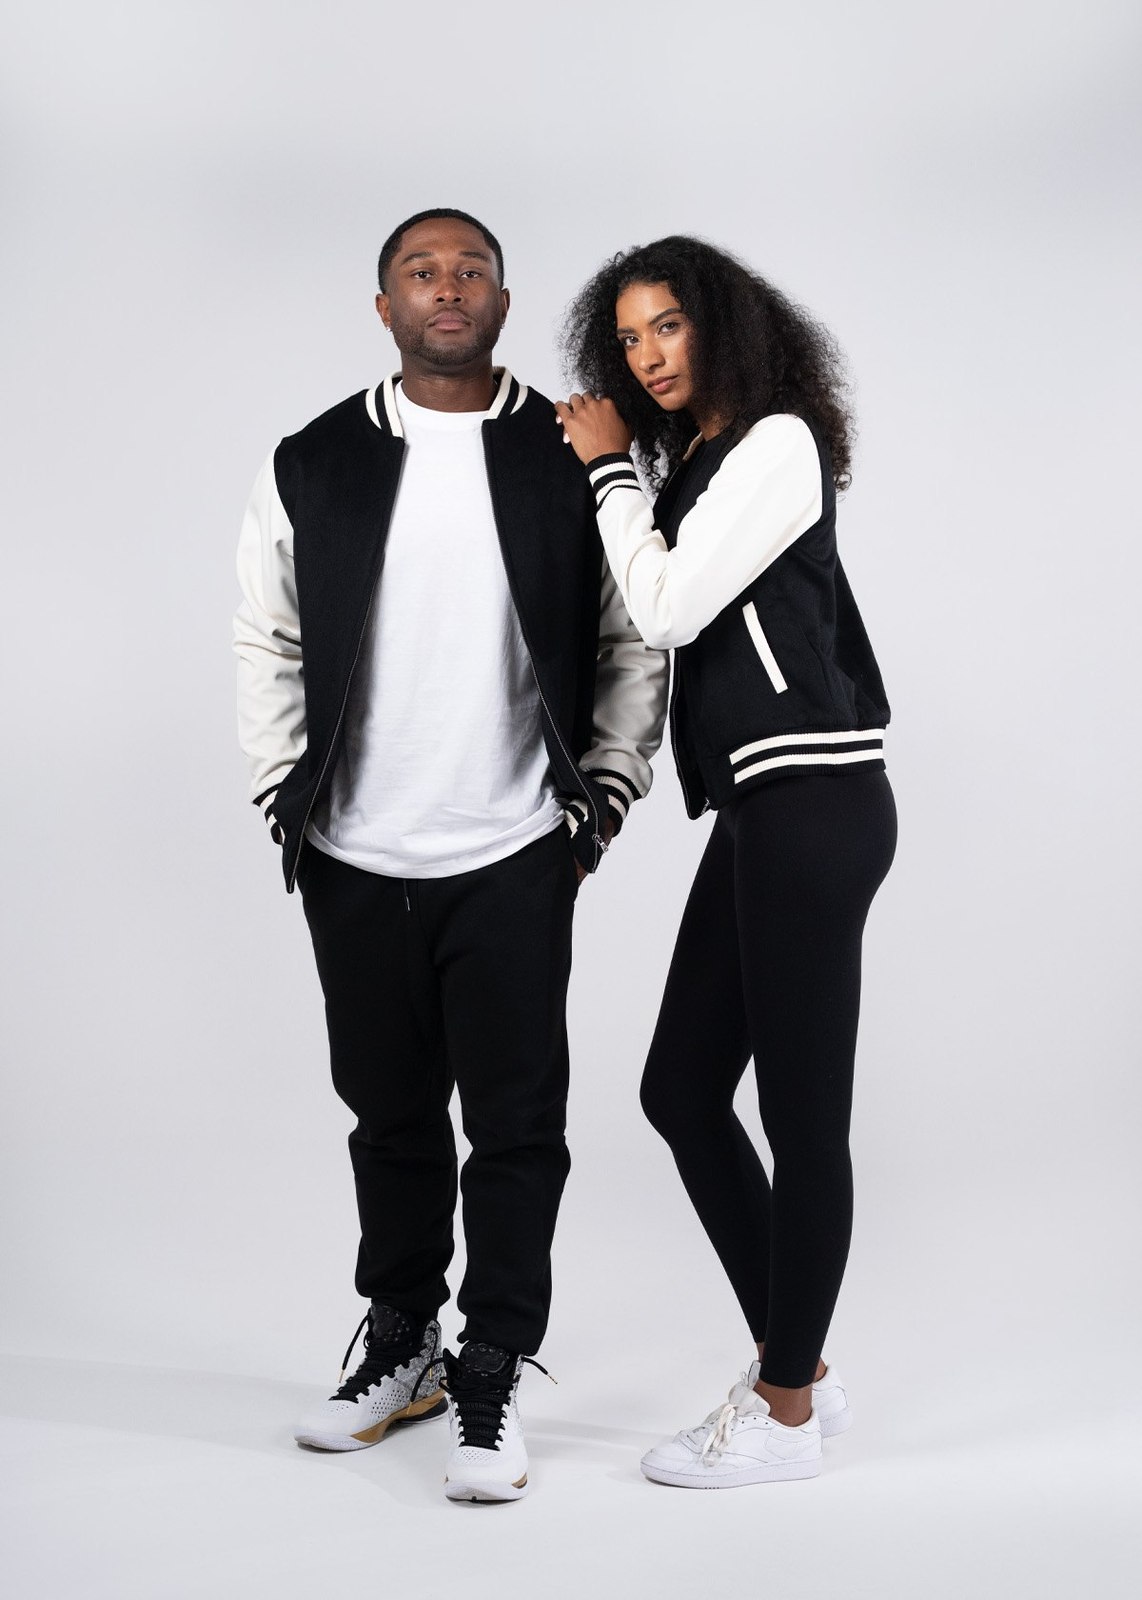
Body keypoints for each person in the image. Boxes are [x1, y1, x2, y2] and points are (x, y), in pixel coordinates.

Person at [233, 208, 667, 1503]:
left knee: (517, 1124)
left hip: (515, 846)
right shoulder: (314, 459)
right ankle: (403, 1343)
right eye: (420, 272)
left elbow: (632, 632)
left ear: (501, 300)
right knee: (389, 1116)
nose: (446, 288)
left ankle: (492, 1365)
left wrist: (602, 794)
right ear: (384, 307)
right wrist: (283, 796)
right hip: (355, 851)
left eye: (470, 269)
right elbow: (265, 633)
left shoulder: (567, 449)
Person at [556, 235, 896, 1489]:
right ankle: (796, 1360)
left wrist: (605, 471)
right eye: (627, 338)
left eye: (668, 326)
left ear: (722, 325)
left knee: (803, 1119)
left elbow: (666, 605)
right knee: (679, 1089)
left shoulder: (776, 443)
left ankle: (785, 1412)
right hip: (761, 806)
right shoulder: (697, 463)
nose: (647, 355)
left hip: (814, 798)